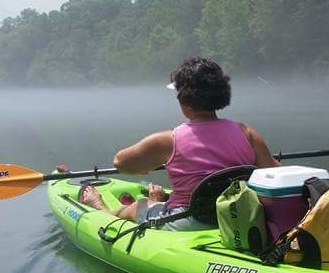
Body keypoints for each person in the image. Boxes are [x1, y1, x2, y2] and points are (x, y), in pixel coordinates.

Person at [78, 57, 279, 230]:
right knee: (157, 200)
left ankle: (100, 207)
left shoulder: (169, 140)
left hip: (187, 219)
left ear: (184, 99)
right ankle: (156, 201)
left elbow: (120, 163)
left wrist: (143, 168)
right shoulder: (247, 133)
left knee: (136, 207)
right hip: (237, 215)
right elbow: (274, 173)